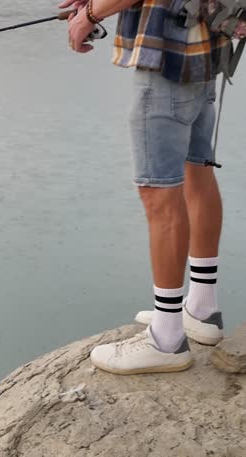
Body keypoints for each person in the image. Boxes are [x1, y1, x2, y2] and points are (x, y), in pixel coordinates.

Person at [60, 0, 230, 374]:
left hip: (167, 59)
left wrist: (90, 16)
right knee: (198, 170)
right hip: (205, 50)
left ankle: (166, 339)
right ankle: (201, 309)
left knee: (159, 192)